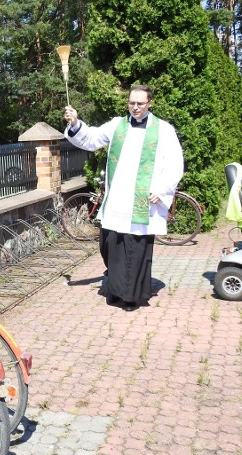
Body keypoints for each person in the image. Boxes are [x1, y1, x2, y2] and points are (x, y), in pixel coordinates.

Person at [63, 85, 184, 310]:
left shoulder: (164, 130)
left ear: (150, 103)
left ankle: (132, 297)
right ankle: (115, 291)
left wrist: (163, 188)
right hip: (118, 198)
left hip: (143, 201)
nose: (135, 107)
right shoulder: (117, 125)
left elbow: (176, 163)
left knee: (135, 249)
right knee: (110, 246)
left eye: (140, 103)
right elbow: (91, 139)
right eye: (131, 103)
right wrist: (75, 124)